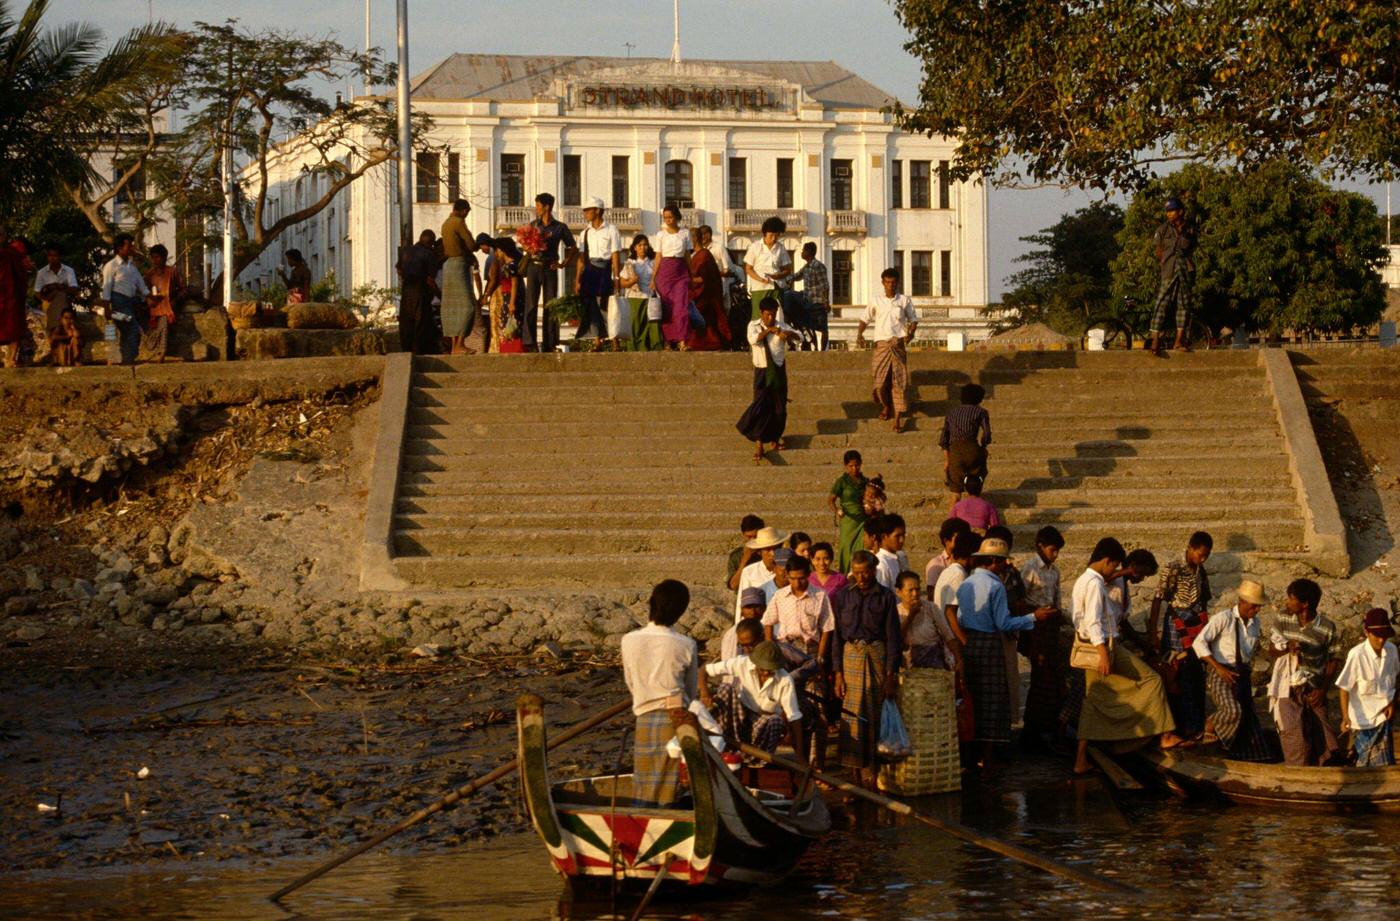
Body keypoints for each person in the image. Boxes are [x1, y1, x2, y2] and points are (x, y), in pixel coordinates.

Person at [1070, 538, 1182, 774]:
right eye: (1114, 566)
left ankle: (1083, 758)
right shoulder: (1094, 583)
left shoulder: (1087, 580)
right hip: (1102, 646)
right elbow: (1092, 621)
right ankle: (1164, 735)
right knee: (1151, 680)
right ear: (1106, 561)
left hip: (1098, 645)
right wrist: (1103, 653)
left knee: (1095, 699)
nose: (1115, 571)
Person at [956, 537, 1052, 768]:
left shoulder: (967, 583)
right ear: (994, 561)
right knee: (992, 700)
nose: (1005, 566)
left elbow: (959, 616)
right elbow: (1003, 623)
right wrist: (1033, 617)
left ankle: (972, 753)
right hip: (989, 642)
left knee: (974, 697)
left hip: (969, 642)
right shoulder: (995, 586)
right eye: (1002, 562)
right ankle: (987, 756)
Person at [621, 579, 700, 806]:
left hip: (644, 716)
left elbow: (631, 682)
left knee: (644, 780)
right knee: (669, 780)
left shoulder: (629, 640)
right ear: (681, 611)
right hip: (675, 718)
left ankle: (645, 819)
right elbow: (691, 690)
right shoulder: (685, 644)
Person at [832, 550, 901, 787]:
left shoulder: (886, 597)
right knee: (852, 714)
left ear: (874, 570)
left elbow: (894, 638)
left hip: (877, 656)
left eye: (866, 573)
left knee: (875, 712)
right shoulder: (842, 597)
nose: (861, 578)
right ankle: (854, 776)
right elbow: (837, 638)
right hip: (851, 655)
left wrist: (891, 674)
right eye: (857, 573)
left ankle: (874, 773)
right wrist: (838, 674)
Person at [762, 553, 833, 763]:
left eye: (801, 578)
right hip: (785, 652)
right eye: (792, 578)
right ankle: (794, 761)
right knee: (787, 706)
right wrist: (771, 653)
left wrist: (819, 659)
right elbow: (768, 622)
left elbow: (827, 629)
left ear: (808, 575)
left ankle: (817, 763)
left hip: (811, 653)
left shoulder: (820, 596)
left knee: (818, 707)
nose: (797, 582)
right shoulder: (780, 596)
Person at [1192, 580, 1271, 761]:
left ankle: (1240, 754)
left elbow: (1248, 652)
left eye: (1259, 606)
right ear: (1242, 601)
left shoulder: (1255, 623)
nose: (1257, 610)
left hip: (1241, 673)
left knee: (1248, 718)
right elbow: (1199, 643)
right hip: (1220, 671)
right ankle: (1209, 728)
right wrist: (1218, 669)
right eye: (1255, 605)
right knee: (1232, 710)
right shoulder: (1223, 618)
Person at [1148, 531, 1214, 741]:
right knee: (1176, 673)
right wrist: (1153, 632)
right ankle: (1177, 727)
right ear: (1191, 548)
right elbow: (1159, 599)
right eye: (1200, 554)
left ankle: (1195, 725)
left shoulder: (1200, 570)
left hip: (1197, 625)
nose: (1202, 559)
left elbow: (1204, 600)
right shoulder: (1173, 567)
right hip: (1176, 625)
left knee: (1195, 672)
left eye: (1206, 556)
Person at [1267, 579, 1342, 766]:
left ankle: (1321, 772)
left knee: (1327, 738)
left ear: (1305, 604)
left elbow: (1334, 658)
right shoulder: (1283, 619)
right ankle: (1297, 773)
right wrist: (1286, 647)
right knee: (1295, 736)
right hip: (1288, 687)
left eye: (1291, 599)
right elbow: (1271, 648)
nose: (1287, 602)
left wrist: (1323, 690)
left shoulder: (1326, 627)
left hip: (1314, 688)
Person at [700, 640, 805, 758]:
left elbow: (794, 717)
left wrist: (800, 756)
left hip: (761, 725)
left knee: (775, 721)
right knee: (726, 688)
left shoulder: (785, 680)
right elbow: (704, 671)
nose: (765, 673)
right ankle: (723, 742)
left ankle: (758, 758)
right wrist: (705, 693)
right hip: (738, 717)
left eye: (770, 670)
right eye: (762, 669)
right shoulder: (742, 663)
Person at [1019, 525, 1066, 749]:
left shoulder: (1054, 571)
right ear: (1040, 546)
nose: (1054, 555)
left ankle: (1046, 728)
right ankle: (1031, 731)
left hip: (1050, 627)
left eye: (1057, 551)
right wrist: (1036, 612)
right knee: (1039, 677)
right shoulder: (1030, 568)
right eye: (1052, 550)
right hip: (1034, 627)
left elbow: (1057, 600)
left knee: (1051, 679)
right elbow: (1019, 600)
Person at [736, 295, 798, 463]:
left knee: (780, 410)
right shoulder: (753, 325)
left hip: (778, 372)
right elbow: (753, 340)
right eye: (767, 314)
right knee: (760, 407)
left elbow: (799, 337)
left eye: (773, 314)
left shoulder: (781, 326)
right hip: (761, 371)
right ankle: (758, 444)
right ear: (761, 313)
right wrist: (768, 331)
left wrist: (788, 334)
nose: (770, 318)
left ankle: (775, 439)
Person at [856, 268, 919, 432]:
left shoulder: (904, 300)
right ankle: (886, 405)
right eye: (887, 282)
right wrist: (859, 334)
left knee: (899, 383)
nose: (890, 285)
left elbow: (913, 320)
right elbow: (865, 319)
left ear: (897, 283)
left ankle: (897, 420)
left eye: (893, 282)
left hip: (897, 344)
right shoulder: (876, 300)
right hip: (881, 345)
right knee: (879, 383)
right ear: (883, 283)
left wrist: (910, 333)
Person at [1336, 609, 1399, 767]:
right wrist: (1345, 717)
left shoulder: (1392, 651)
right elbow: (1344, 688)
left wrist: (1393, 703)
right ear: (1367, 632)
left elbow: (1396, 679)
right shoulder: (1356, 655)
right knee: (1367, 766)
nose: (1381, 640)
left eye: (1384, 636)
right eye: (1377, 636)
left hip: (1384, 717)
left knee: (1383, 765)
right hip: (1362, 722)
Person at [523, 192, 577, 352]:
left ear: (547, 207)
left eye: (538, 206)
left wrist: (563, 264)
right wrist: (528, 247)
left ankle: (550, 343)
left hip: (550, 268)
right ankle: (529, 342)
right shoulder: (533, 225)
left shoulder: (560, 227)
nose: (536, 209)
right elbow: (525, 245)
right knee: (531, 305)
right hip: (534, 266)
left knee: (551, 305)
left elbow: (572, 246)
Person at [1148, 196, 1198, 355]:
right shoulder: (1162, 230)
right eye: (1167, 211)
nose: (1169, 214)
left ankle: (1178, 341)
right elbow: (1158, 250)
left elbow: (1192, 248)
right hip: (1168, 269)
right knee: (1161, 303)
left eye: (1172, 210)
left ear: (1180, 211)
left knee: (1183, 306)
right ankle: (1155, 339)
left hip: (1184, 270)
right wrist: (1165, 260)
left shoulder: (1190, 229)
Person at [571, 196, 621, 344]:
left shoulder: (611, 230)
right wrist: (577, 280)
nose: (585, 214)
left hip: (605, 270)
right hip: (590, 270)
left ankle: (614, 339)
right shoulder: (585, 233)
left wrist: (617, 278)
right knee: (590, 305)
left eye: (588, 210)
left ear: (597, 211)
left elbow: (615, 256)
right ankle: (597, 338)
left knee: (607, 304)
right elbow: (581, 258)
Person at [99, 234, 150, 366]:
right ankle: (128, 359)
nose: (132, 248)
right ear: (120, 248)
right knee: (132, 328)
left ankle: (126, 358)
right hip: (118, 302)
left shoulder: (131, 266)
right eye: (129, 246)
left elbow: (141, 285)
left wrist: (151, 297)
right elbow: (107, 287)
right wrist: (107, 308)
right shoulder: (111, 266)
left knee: (128, 330)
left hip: (131, 302)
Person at [439, 198, 481, 354]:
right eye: (467, 212)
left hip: (449, 265)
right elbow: (470, 244)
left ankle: (455, 346)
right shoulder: (458, 222)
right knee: (468, 306)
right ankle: (460, 344)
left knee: (452, 308)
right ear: (464, 210)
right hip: (459, 265)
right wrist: (475, 248)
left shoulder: (446, 223)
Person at [940, 383, 991, 506]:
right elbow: (987, 434)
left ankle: (952, 520)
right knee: (975, 484)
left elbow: (943, 438)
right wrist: (983, 447)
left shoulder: (951, 413)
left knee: (956, 493)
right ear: (979, 398)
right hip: (973, 449)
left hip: (955, 452)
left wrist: (947, 459)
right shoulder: (981, 412)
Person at [650, 203, 692, 348]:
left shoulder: (685, 233)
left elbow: (687, 255)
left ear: (676, 217)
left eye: (670, 217)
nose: (668, 220)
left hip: (680, 271)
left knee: (681, 306)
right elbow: (658, 257)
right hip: (665, 272)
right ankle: (668, 340)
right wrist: (653, 278)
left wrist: (691, 273)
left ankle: (682, 341)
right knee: (667, 308)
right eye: (665, 217)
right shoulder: (660, 234)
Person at [898, 571, 958, 671]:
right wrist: (911, 616)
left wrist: (959, 660)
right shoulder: (896, 612)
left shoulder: (930, 608)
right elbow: (896, 639)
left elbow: (948, 636)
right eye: (910, 590)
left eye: (917, 589)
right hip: (909, 665)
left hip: (933, 663)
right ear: (899, 592)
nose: (915, 594)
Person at [686, 226, 731, 351]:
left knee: (704, 319)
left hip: (705, 294)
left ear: (694, 239)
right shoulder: (694, 255)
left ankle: (711, 343)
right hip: (696, 293)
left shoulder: (704, 255)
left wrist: (688, 281)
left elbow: (705, 279)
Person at [396, 230, 440, 355]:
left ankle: (406, 350)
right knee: (420, 324)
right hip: (421, 292)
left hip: (406, 291)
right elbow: (430, 280)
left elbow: (398, 270)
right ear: (431, 243)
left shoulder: (405, 251)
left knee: (406, 322)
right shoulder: (429, 254)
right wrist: (440, 295)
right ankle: (418, 352)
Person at [933, 530, 979, 649]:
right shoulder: (958, 575)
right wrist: (965, 642)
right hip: (952, 642)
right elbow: (950, 612)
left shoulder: (951, 571)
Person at [618, 234, 663, 352]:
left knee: (652, 324)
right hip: (635, 298)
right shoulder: (630, 263)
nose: (643, 248)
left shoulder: (653, 262)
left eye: (645, 245)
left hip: (651, 297)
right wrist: (632, 281)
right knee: (635, 325)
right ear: (635, 247)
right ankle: (634, 350)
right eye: (640, 245)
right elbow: (622, 282)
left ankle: (653, 348)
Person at [480, 236, 524, 354]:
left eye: (498, 250)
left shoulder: (511, 265)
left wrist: (512, 303)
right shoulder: (506, 265)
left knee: (511, 325)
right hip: (506, 297)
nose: (496, 253)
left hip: (510, 297)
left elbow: (514, 284)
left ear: (502, 250)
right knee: (506, 325)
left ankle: (512, 349)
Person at [743, 216, 792, 322]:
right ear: (765, 233)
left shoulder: (780, 248)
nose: (774, 238)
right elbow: (748, 269)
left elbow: (788, 269)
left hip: (776, 287)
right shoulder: (755, 247)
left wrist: (779, 275)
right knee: (758, 318)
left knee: (778, 317)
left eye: (776, 235)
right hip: (759, 288)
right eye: (771, 235)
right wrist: (760, 279)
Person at [733, 526, 785, 621]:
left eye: (775, 549)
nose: (772, 553)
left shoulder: (787, 571)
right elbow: (742, 603)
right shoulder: (749, 572)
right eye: (768, 549)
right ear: (760, 552)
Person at [828, 450, 868, 574]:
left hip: (862, 519)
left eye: (857, 465)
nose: (854, 468)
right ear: (846, 466)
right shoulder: (842, 481)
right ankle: (844, 574)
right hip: (848, 519)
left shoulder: (865, 481)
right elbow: (831, 500)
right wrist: (837, 511)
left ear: (861, 464)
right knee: (845, 547)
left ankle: (859, 573)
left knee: (861, 547)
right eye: (851, 466)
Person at [142, 243, 183, 363]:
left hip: (168, 308)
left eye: (157, 257)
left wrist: (176, 300)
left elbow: (183, 289)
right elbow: (143, 291)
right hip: (154, 309)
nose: (155, 260)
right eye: (153, 257)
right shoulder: (149, 274)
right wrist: (148, 299)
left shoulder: (172, 272)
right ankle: (155, 351)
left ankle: (162, 352)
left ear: (164, 257)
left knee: (164, 324)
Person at [787, 242, 830, 350]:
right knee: (789, 295)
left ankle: (823, 351)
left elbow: (824, 285)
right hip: (807, 300)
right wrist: (784, 277)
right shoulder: (806, 267)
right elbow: (796, 276)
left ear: (809, 252)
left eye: (803, 250)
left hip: (817, 302)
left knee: (822, 328)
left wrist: (826, 302)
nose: (802, 252)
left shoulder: (818, 266)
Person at [34, 244, 79, 335]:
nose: (52, 258)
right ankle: (63, 328)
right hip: (48, 302)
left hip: (65, 302)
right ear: (47, 257)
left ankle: (56, 328)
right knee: (59, 296)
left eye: (55, 256)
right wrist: (49, 295)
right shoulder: (41, 273)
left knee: (61, 295)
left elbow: (74, 289)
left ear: (60, 257)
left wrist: (60, 288)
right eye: (50, 256)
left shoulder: (69, 271)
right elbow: (37, 293)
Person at [925, 517, 973, 600]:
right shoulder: (936, 564)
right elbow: (932, 597)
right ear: (946, 540)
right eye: (959, 538)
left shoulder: (968, 561)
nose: (962, 541)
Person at [726, 515, 767, 589]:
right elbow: (733, 585)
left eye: (755, 537)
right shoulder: (736, 556)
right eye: (748, 537)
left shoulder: (770, 552)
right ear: (743, 535)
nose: (752, 540)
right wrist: (744, 560)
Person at [875, 513, 907, 591]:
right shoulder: (881, 563)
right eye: (897, 536)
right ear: (884, 537)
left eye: (903, 535)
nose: (902, 540)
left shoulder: (900, 557)